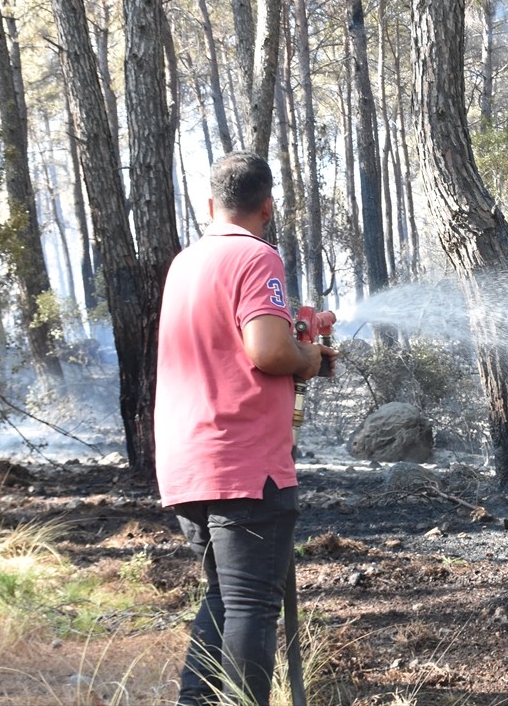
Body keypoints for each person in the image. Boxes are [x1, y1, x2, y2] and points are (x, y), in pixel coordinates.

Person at [154, 151, 336, 706]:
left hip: (189, 464)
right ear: (268, 206)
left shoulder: (186, 263)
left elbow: (235, 341)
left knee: (224, 598)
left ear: (210, 205)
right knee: (254, 605)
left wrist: (296, 325)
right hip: (245, 466)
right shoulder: (258, 257)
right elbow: (268, 351)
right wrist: (309, 356)